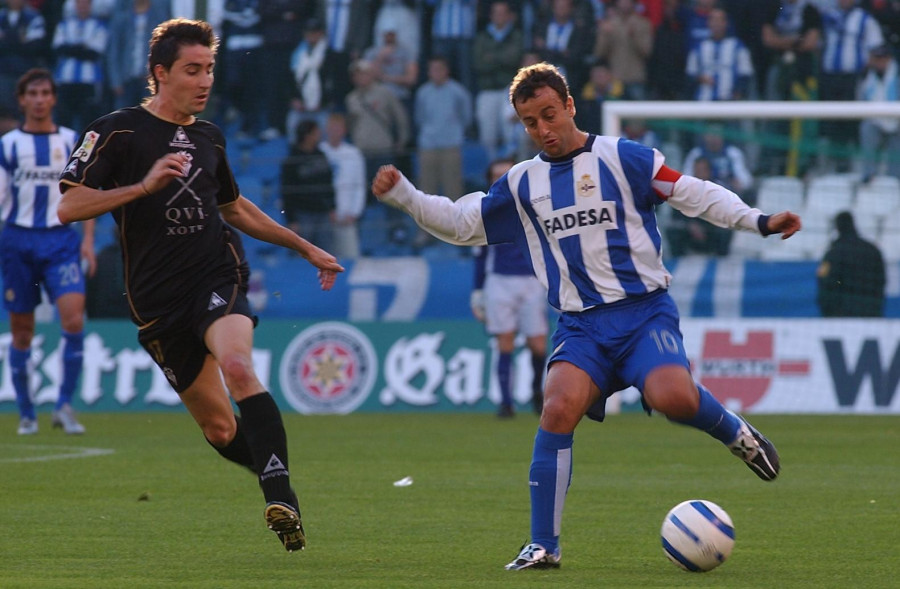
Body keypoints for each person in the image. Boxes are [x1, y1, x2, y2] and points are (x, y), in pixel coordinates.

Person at [372, 62, 801, 570]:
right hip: (582, 327)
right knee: (556, 409)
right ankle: (544, 545)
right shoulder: (521, 184)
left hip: (644, 314)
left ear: (571, 104)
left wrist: (758, 221)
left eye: (550, 114)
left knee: (673, 398)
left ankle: (734, 432)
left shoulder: (624, 158)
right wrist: (406, 197)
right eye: (531, 122)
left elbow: (693, 193)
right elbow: (462, 224)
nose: (543, 130)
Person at [57, 18, 344, 552]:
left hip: (216, 273)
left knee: (238, 366)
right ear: (160, 73)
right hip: (156, 299)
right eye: (193, 70)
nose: (205, 81)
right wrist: (142, 187)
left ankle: (281, 496)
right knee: (219, 429)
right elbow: (69, 205)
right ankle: (273, 479)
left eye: (210, 69)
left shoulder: (209, 136)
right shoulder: (116, 131)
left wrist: (303, 247)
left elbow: (233, 207)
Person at [0, 68, 96, 436]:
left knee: (73, 320)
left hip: (60, 242)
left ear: (54, 98)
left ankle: (64, 406)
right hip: (18, 242)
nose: (39, 99)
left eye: (45, 93)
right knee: (21, 332)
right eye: (32, 93)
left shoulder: (73, 140)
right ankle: (27, 413)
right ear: (22, 100)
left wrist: (87, 240)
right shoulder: (8, 145)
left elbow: (84, 192)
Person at [471, 159, 548, 418]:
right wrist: (478, 291)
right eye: (496, 175)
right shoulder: (484, 210)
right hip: (499, 280)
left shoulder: (535, 204)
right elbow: (479, 254)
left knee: (537, 343)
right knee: (504, 342)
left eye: (505, 174)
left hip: (531, 280)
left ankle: (538, 394)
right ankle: (506, 403)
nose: (500, 179)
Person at [280, 119, 336, 253]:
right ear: (307, 136)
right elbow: (287, 192)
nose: (319, 135)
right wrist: (291, 219)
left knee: (326, 253)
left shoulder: (321, 155)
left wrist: (333, 207)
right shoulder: (292, 161)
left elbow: (329, 183)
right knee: (302, 254)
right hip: (303, 214)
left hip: (322, 212)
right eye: (316, 132)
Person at [817, 211, 886, 317]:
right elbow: (881, 279)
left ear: (837, 227)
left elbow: (825, 282)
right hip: (870, 312)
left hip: (841, 314)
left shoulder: (833, 253)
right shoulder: (872, 250)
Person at [319, 112, 366, 259]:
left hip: (347, 216)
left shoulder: (354, 153)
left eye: (338, 128)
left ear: (344, 130)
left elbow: (359, 186)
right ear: (326, 129)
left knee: (351, 258)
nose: (334, 131)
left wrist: (354, 213)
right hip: (324, 218)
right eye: (331, 128)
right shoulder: (320, 152)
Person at [858, 44, 900, 182]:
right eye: (877, 58)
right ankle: (868, 176)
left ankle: (895, 179)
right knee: (867, 128)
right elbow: (861, 99)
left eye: (883, 58)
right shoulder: (866, 75)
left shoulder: (897, 74)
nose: (880, 62)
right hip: (875, 120)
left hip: (897, 121)